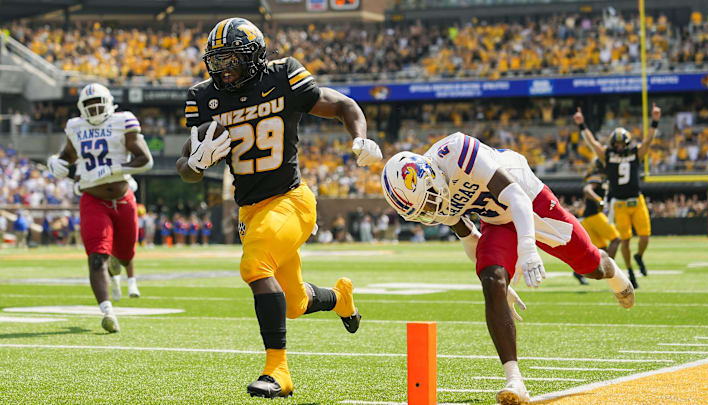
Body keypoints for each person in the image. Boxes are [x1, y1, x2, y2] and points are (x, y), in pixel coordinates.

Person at [175, 18, 382, 399]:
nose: (223, 69)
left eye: (232, 59)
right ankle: (340, 298)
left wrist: (361, 139)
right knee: (294, 304)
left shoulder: (283, 76)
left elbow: (343, 105)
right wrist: (196, 165)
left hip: (291, 200)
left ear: (254, 56)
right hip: (249, 211)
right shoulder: (203, 97)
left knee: (255, 266)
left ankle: (278, 371)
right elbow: (184, 166)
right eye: (217, 61)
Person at [381, 132, 634, 405]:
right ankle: (515, 380)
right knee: (491, 279)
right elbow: (469, 237)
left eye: (429, 200)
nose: (432, 208)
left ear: (430, 174)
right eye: (422, 210)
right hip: (497, 220)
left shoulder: (456, 152)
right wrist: (504, 283)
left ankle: (614, 271)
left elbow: (517, 196)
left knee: (591, 266)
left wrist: (527, 247)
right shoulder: (429, 200)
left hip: (530, 199)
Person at [46, 82, 153, 333]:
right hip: (92, 199)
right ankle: (107, 310)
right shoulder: (75, 127)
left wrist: (115, 170)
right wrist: (55, 161)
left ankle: (120, 263)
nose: (94, 109)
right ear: (81, 108)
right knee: (96, 257)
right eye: (89, 105)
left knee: (125, 254)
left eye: (98, 104)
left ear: (108, 104)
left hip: (123, 197)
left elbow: (145, 160)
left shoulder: (123, 121)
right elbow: (68, 155)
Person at [574, 104, 660, 287]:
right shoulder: (605, 160)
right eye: (617, 144)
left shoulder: (635, 153)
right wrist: (582, 126)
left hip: (636, 200)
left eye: (623, 144)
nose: (620, 147)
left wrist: (655, 121)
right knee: (623, 240)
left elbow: (648, 142)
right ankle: (626, 271)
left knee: (642, 237)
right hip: (618, 204)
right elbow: (593, 143)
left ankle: (635, 258)